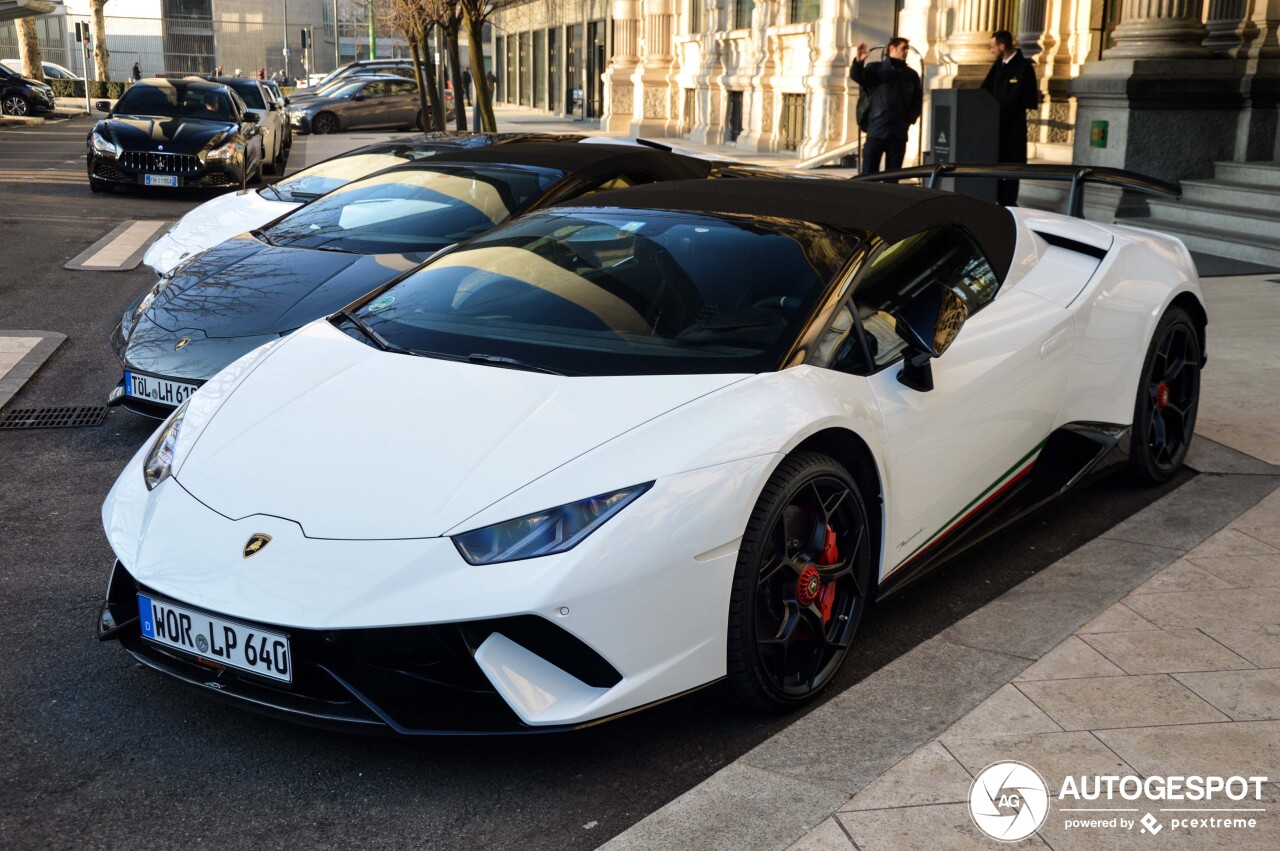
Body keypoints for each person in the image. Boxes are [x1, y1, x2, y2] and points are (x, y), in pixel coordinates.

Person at [981, 30, 1040, 206]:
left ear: (1002, 46)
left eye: (993, 47)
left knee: (1013, 164)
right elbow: (984, 91)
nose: (991, 51)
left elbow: (1020, 97)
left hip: (1013, 126)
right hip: (996, 125)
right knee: (997, 164)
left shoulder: (1023, 67)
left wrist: (1003, 108)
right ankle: (998, 198)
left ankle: (1009, 202)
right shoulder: (997, 66)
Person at [850, 37, 922, 177]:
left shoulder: (911, 75)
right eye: (903, 48)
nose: (906, 51)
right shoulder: (876, 69)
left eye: (907, 48)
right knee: (869, 176)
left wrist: (908, 120)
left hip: (898, 134)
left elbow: (917, 101)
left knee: (893, 177)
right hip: (877, 130)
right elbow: (858, 76)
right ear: (892, 48)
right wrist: (858, 62)